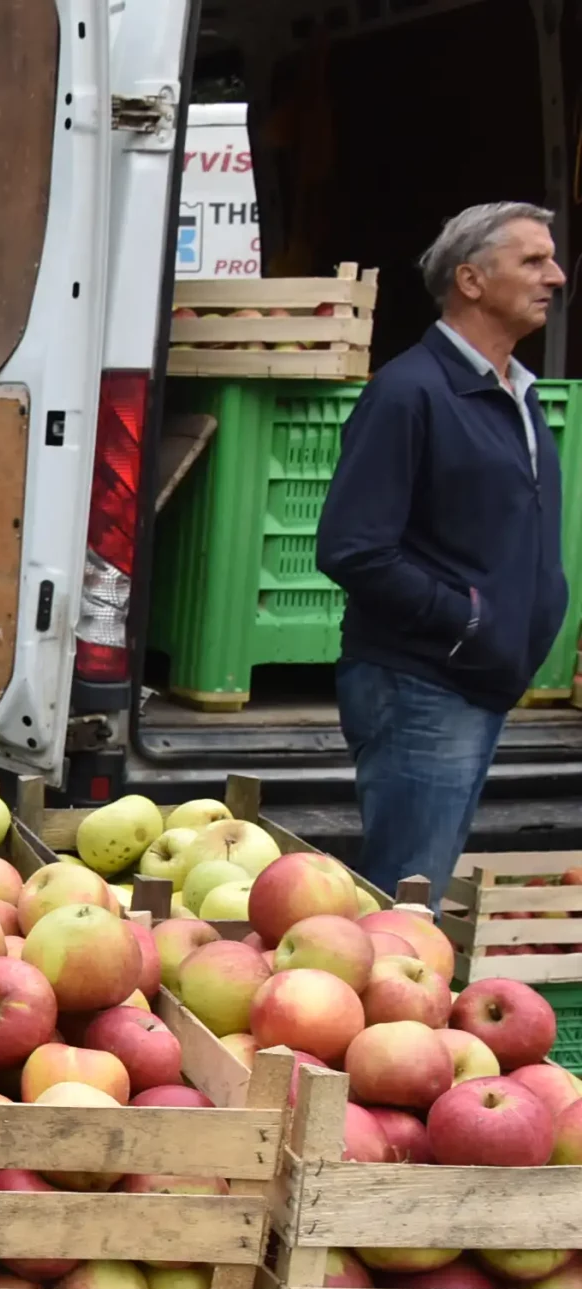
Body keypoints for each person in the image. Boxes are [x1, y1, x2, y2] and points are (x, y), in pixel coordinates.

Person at [318, 202, 567, 895]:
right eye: (533, 260)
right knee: (406, 900)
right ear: (471, 280)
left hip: (476, 681)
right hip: (422, 685)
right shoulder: (409, 393)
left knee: (418, 896)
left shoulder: (517, 393)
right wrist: (469, 620)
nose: (556, 276)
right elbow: (352, 549)